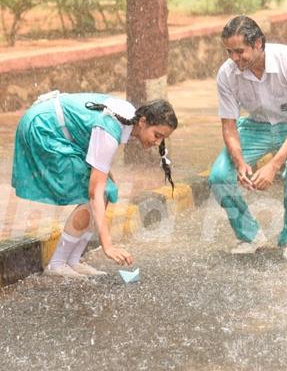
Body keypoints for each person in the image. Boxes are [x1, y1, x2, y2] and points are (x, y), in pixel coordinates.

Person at [12, 92, 177, 277]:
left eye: (162, 139)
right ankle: (57, 264)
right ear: (143, 122)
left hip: (54, 128)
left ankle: (72, 261)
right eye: (157, 135)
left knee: (106, 189)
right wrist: (108, 246)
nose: (158, 142)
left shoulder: (128, 119)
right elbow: (94, 192)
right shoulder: (110, 127)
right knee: (94, 193)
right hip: (43, 128)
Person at [209, 15, 287, 260]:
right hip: (254, 127)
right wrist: (239, 161)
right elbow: (229, 126)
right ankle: (250, 234)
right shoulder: (227, 74)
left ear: (258, 43)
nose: (234, 59)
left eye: (240, 51)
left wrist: (274, 166)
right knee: (218, 175)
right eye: (229, 52)